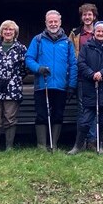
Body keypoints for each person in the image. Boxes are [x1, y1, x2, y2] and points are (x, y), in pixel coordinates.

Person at [26, 10, 77, 150]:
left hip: (61, 85)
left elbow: (73, 64)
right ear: (46, 23)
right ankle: (42, 145)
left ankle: (53, 144)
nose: (53, 24)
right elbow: (29, 58)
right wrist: (38, 68)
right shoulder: (38, 40)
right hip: (43, 84)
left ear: (60, 22)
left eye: (56, 21)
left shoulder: (67, 42)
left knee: (58, 115)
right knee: (41, 115)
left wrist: (72, 85)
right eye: (50, 22)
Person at [68, 21, 103, 154]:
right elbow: (81, 63)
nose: (101, 33)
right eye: (98, 31)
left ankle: (100, 145)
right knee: (85, 121)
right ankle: (77, 146)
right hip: (90, 87)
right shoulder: (86, 47)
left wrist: (102, 73)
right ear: (94, 32)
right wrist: (92, 74)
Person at [0, 20, 27, 151]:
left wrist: (13, 78)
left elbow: (24, 68)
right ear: (1, 32)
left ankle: (9, 146)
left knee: (10, 117)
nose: (8, 32)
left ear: (15, 32)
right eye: (5, 30)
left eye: (11, 30)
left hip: (13, 87)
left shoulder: (21, 48)